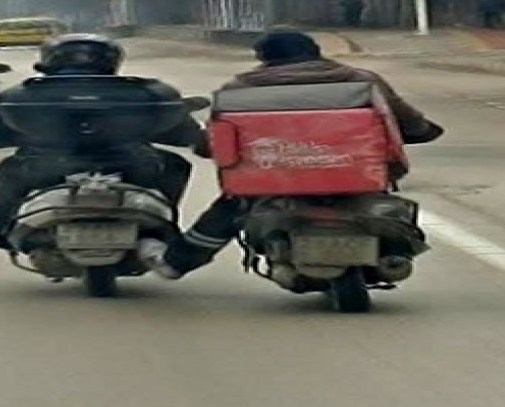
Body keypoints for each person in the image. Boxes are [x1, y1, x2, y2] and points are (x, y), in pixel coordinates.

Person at [141, 31, 443, 280]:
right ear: (316, 50)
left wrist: (204, 147)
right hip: (353, 175)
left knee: (230, 209)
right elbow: (406, 121)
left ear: (263, 59)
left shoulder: (238, 89)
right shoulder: (362, 80)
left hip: (272, 180)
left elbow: (217, 140)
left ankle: (176, 263)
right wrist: (423, 131)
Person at [0, 34, 203, 251]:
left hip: (45, 168)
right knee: (175, 165)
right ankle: (165, 227)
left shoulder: (24, 93)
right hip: (133, 165)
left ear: (49, 60)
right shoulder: (140, 92)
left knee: (12, 171)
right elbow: (181, 132)